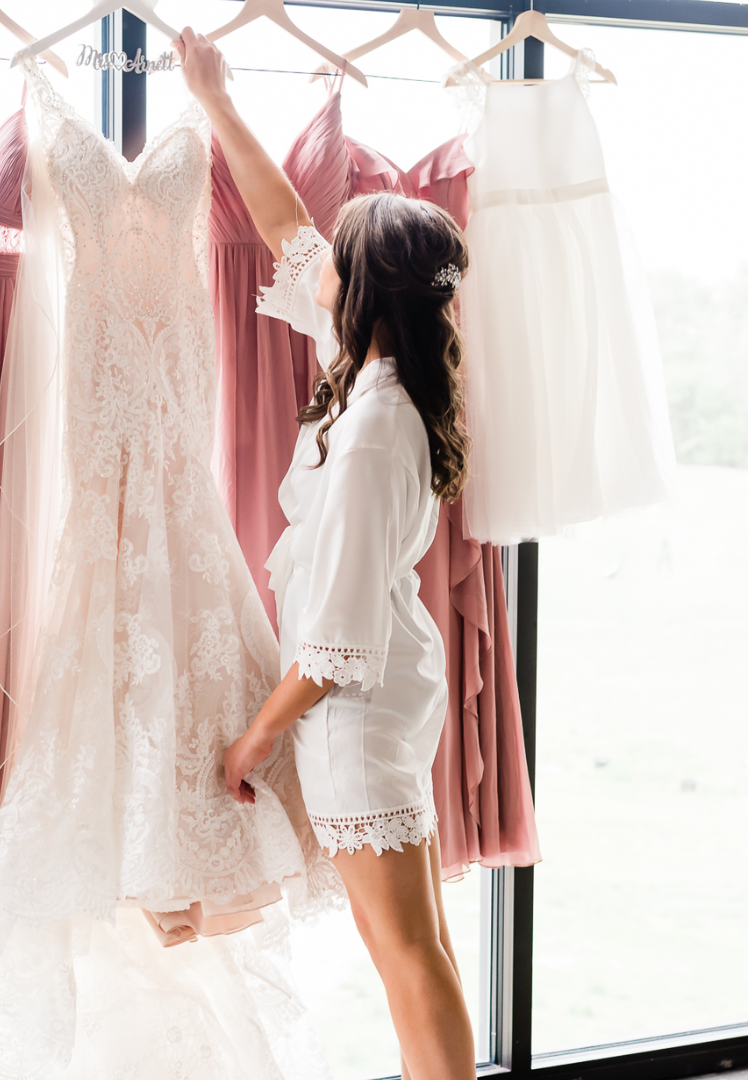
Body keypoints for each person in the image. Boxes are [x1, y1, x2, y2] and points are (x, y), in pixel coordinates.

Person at [176, 29, 477, 1080]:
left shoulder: (373, 428)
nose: (320, 265)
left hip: (356, 710)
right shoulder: (364, 364)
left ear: (361, 290)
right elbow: (285, 226)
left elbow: (335, 641)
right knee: (417, 944)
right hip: (384, 687)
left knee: (405, 954)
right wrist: (216, 100)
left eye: (337, 263)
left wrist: (253, 741)